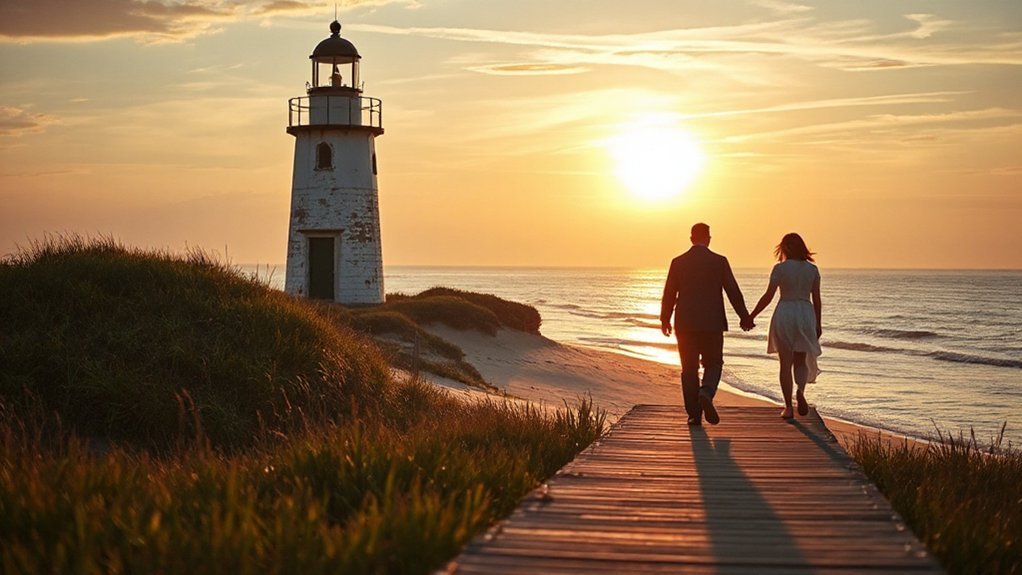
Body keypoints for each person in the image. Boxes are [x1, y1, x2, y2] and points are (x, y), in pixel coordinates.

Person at [661, 223, 753, 426]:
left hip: (685, 324)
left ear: (691, 238)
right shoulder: (719, 261)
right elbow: (732, 291)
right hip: (712, 323)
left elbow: (669, 293)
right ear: (708, 238)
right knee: (713, 363)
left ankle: (694, 414)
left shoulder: (678, 262)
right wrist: (744, 316)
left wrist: (664, 319)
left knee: (689, 368)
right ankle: (707, 391)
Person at [748, 233, 823, 420]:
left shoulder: (780, 269)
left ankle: (788, 407)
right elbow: (817, 299)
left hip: (785, 312)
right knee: (800, 359)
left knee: (785, 364)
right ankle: (801, 390)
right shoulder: (812, 270)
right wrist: (818, 322)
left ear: (784, 248)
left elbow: (768, 296)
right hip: (805, 312)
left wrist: (751, 316)